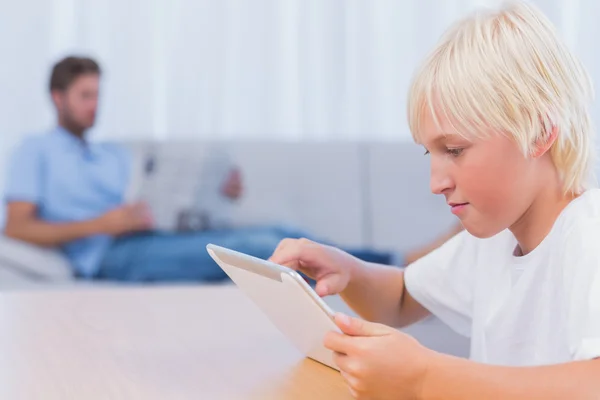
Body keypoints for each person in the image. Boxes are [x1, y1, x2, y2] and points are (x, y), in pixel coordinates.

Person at [268, 2, 600, 399]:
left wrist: (425, 377)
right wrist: (349, 271)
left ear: (540, 131)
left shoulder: (588, 236)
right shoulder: (494, 239)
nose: (435, 183)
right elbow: (404, 299)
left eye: (455, 150)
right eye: (431, 153)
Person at [3, 56, 413, 282]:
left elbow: (153, 196)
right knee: (258, 246)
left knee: (279, 230)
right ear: (57, 98)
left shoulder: (111, 153)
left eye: (98, 94)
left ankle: (379, 265)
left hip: (157, 230)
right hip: (110, 254)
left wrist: (215, 192)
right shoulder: (35, 150)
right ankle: (392, 266)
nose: (95, 105)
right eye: (84, 95)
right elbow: (16, 228)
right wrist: (102, 225)